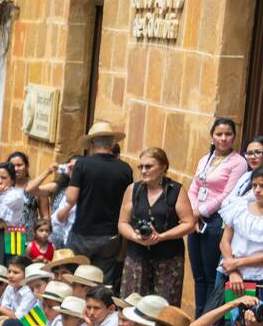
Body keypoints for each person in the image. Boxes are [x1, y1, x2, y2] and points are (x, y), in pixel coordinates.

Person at [117, 146, 195, 303]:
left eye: (149, 166)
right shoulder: (133, 190)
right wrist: (135, 236)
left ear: (163, 167)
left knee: (163, 308)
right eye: (141, 167)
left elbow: (189, 223)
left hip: (168, 258)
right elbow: (122, 223)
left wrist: (161, 237)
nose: (144, 171)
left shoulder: (176, 191)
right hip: (137, 256)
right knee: (132, 303)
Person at [188, 118, 249, 315]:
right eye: (219, 134)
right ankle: (196, 320)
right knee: (197, 277)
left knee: (208, 277)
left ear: (234, 137)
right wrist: (193, 213)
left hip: (215, 222)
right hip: (196, 220)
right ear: (212, 137)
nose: (223, 138)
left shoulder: (238, 162)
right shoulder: (205, 159)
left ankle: (205, 323)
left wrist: (200, 212)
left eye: (228, 134)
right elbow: (194, 186)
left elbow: (226, 194)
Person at [66, 122, 134, 290]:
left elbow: (71, 198)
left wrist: (72, 177)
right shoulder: (125, 169)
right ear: (112, 144)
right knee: (102, 283)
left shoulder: (82, 164)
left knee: (76, 278)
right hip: (110, 235)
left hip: (83, 232)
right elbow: (129, 203)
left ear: (92, 143)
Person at [220, 167, 263, 297]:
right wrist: (232, 270)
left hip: (259, 279)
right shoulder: (239, 207)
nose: (257, 190)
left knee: (254, 316)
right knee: (230, 316)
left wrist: (237, 263)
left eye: (262, 186)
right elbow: (225, 241)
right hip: (233, 275)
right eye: (254, 185)